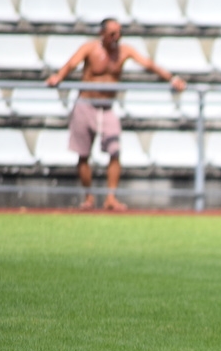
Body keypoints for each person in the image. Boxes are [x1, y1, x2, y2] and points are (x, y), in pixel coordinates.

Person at [45, 18, 186, 211]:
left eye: (119, 33)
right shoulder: (89, 48)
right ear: (102, 33)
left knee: (115, 151)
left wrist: (172, 79)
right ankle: (89, 198)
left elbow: (148, 64)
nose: (116, 37)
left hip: (107, 107)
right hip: (85, 105)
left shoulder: (124, 51)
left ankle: (111, 198)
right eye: (112, 33)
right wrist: (58, 77)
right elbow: (71, 64)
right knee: (83, 154)